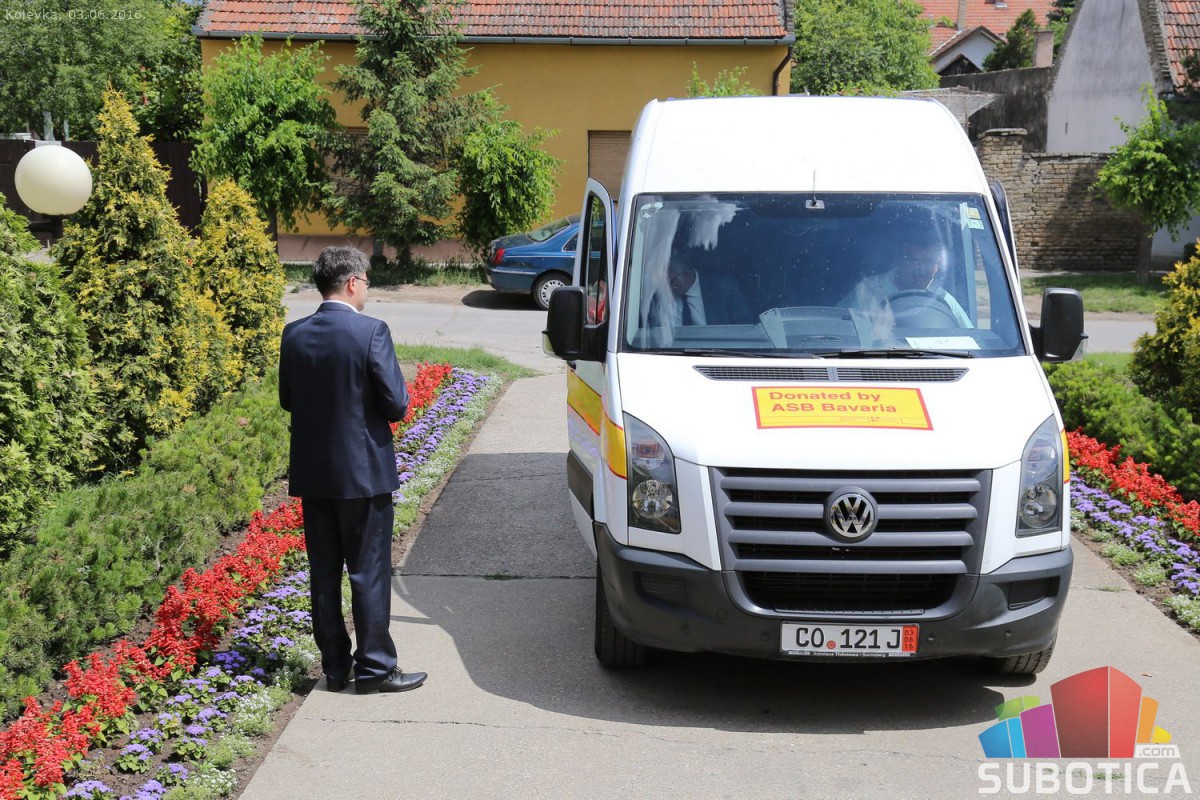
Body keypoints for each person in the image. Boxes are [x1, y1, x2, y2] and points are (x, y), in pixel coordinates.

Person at [278, 247, 427, 695]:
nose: (367, 289)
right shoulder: (370, 331)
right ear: (352, 282)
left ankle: (336, 667)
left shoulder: (294, 334)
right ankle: (375, 668)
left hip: (314, 475)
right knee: (368, 572)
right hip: (363, 476)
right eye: (366, 281)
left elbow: (288, 399)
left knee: (324, 574)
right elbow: (396, 404)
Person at [840, 229, 972, 328]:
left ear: (937, 266)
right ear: (899, 261)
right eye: (913, 260)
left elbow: (969, 336)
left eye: (928, 261)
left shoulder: (943, 299)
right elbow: (839, 325)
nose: (921, 268)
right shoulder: (868, 290)